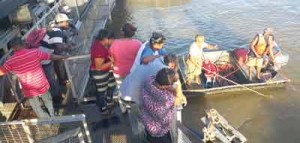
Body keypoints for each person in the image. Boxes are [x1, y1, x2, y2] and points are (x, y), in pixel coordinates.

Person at [0, 37, 68, 118]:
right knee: (47, 100)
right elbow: (51, 56)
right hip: (41, 84)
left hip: (29, 89)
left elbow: (1, 72)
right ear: (23, 44)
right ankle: (52, 115)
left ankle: (46, 120)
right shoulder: (35, 52)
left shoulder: (10, 61)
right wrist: (62, 57)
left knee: (36, 106)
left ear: (13, 48)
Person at [40, 13, 72, 103]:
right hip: (44, 60)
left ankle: (59, 87)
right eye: (66, 22)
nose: (67, 24)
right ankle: (56, 98)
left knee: (52, 76)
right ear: (60, 22)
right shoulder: (57, 32)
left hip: (46, 57)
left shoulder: (54, 29)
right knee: (51, 79)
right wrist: (68, 45)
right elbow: (59, 47)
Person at [141, 68, 178, 143]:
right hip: (159, 131)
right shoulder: (166, 99)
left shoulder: (148, 81)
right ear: (165, 86)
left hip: (148, 124)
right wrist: (174, 90)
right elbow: (176, 99)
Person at [90, 29, 116, 114]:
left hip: (107, 72)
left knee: (112, 85)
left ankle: (109, 101)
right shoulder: (99, 50)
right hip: (99, 74)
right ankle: (103, 108)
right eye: (112, 39)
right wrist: (111, 62)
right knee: (101, 92)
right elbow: (99, 67)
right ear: (105, 39)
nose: (113, 41)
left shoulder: (100, 44)